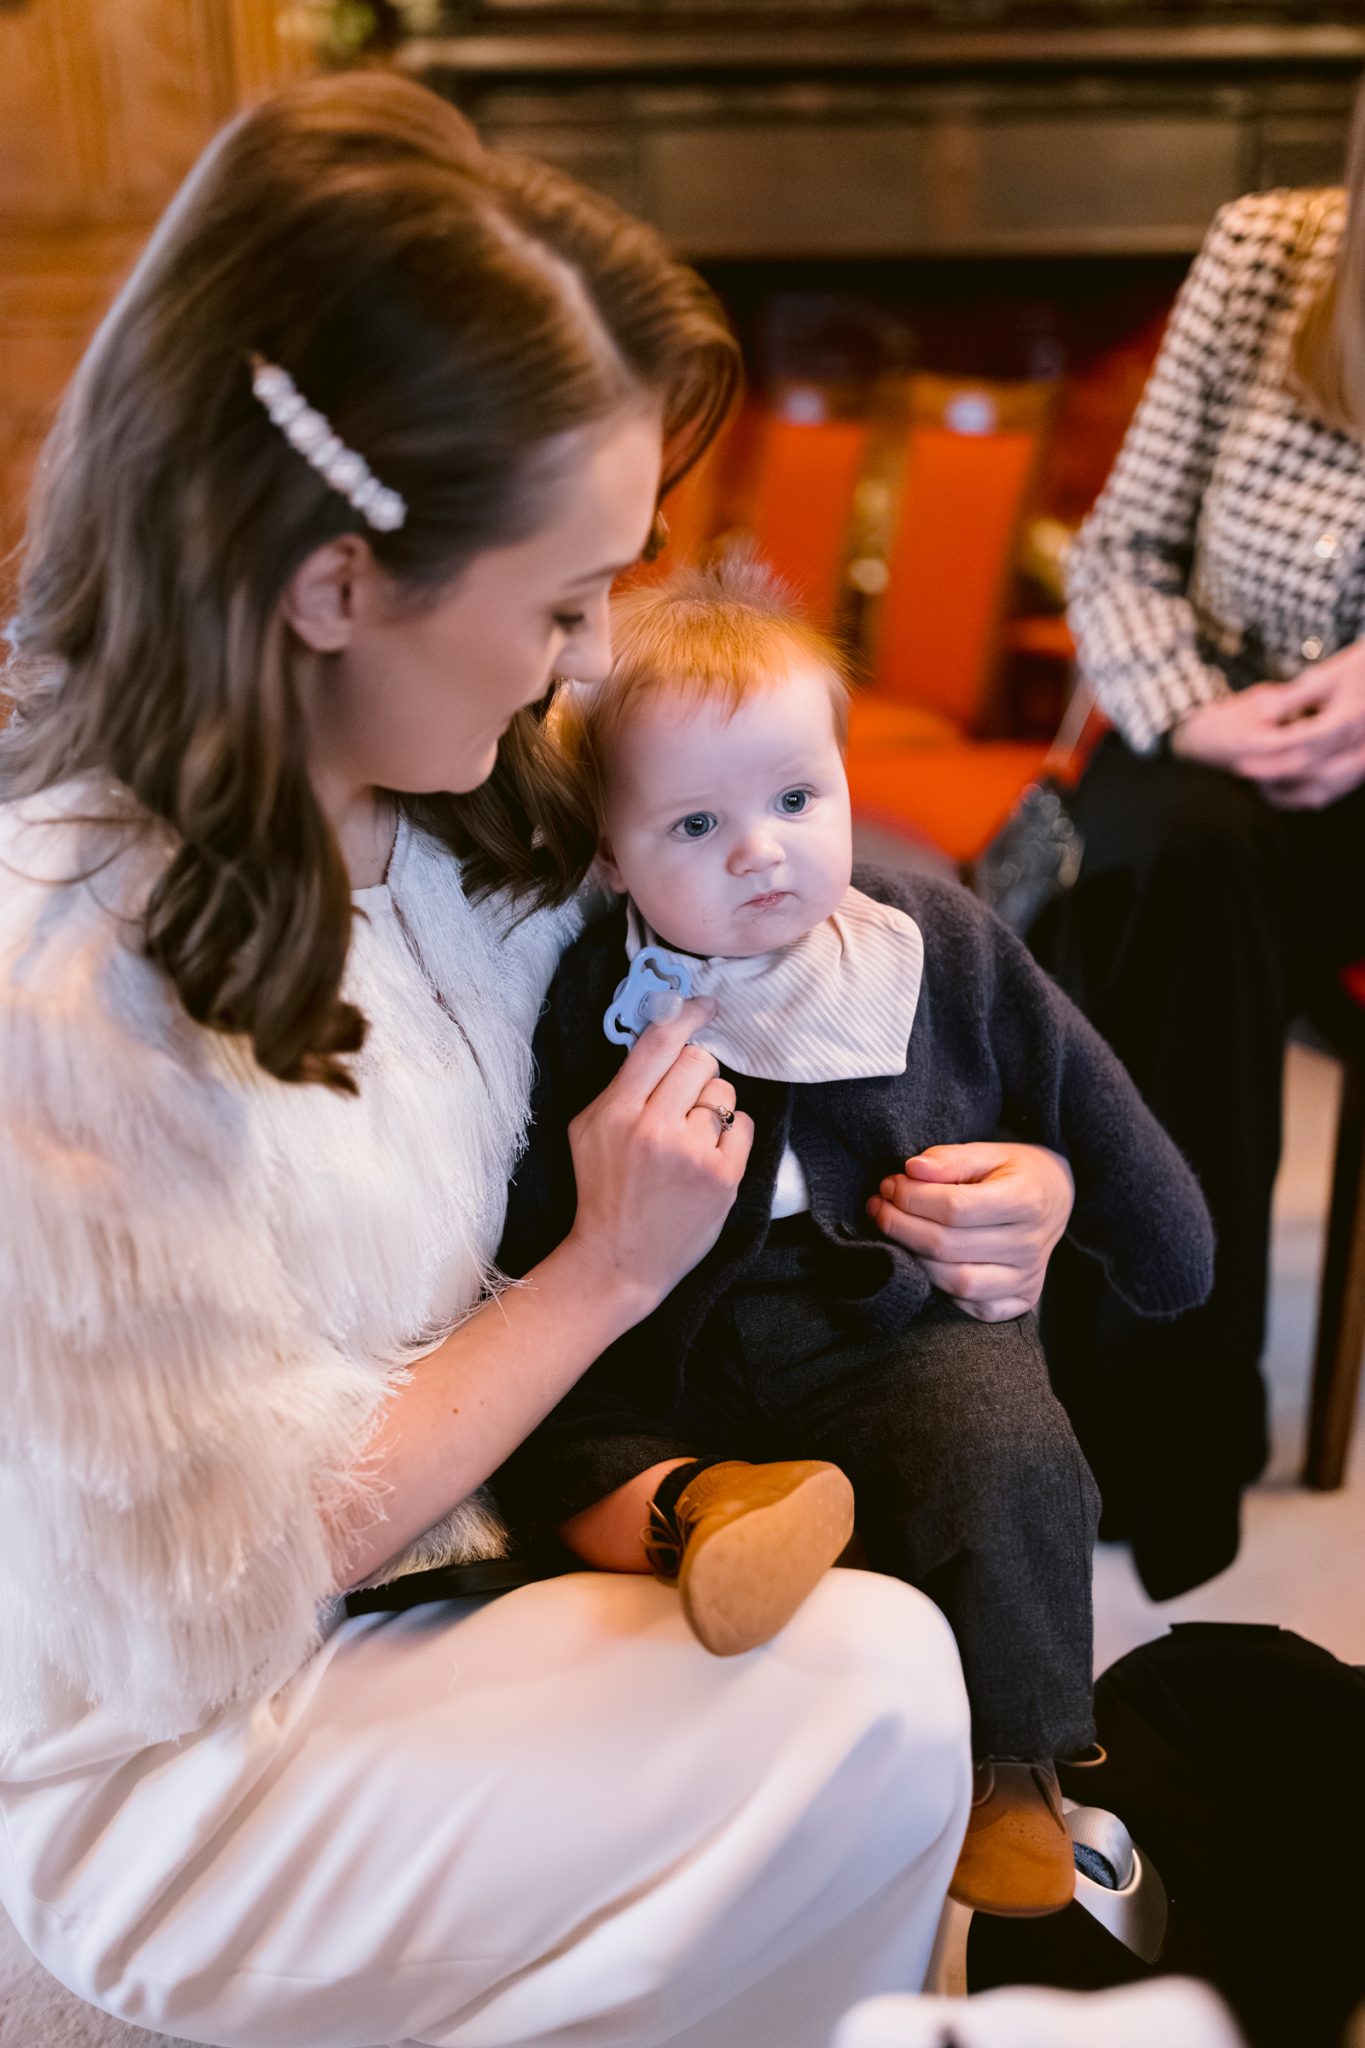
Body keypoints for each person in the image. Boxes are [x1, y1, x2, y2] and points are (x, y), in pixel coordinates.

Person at [0, 71, 1079, 2048]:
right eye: (561, 604)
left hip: (435, 1552)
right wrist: (601, 1272)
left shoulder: (442, 804)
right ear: (334, 587)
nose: (589, 662)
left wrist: (1026, 1180)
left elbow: (777, 925)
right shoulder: (65, 1012)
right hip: (170, 1751)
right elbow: (213, 1586)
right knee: (876, 1699)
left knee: (901, 1634)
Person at [493, 559, 1213, 1923]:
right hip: (670, 1331)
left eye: (792, 800)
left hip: (884, 1324)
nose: (759, 850)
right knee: (566, 1430)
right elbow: (533, 1179)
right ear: (610, 853)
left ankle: (1013, 1766)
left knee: (1003, 1439)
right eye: (694, 824)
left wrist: (1157, 1240)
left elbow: (1073, 1084)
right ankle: (709, 1514)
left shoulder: (924, 939)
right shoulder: (595, 990)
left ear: (839, 772)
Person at [1035, 84, 1365, 1602]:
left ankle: (1151, 1425)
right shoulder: (1263, 258)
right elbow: (1117, 553)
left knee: (1190, 873)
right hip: (1208, 738)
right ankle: (1155, 1409)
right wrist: (1187, 709)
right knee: (1182, 855)